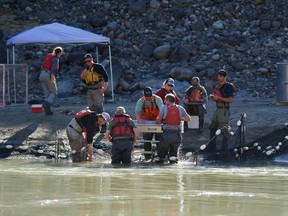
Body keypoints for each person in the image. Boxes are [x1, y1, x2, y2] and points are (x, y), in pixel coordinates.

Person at [155, 94, 191, 163]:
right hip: (177, 134)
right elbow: (188, 119)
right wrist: (180, 118)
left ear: (168, 100)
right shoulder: (180, 108)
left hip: (166, 134)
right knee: (173, 156)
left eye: (165, 100)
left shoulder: (164, 107)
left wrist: (158, 121)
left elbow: (159, 120)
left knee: (161, 155)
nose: (164, 101)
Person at [80, 53, 109, 133]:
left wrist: (104, 89)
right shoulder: (87, 69)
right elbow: (82, 76)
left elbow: (106, 77)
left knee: (99, 108)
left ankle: (104, 125)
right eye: (86, 61)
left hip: (97, 90)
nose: (88, 62)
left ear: (92, 59)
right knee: (91, 109)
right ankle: (95, 125)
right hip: (90, 90)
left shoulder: (98, 67)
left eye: (89, 61)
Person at [208, 69, 234, 156]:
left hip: (224, 110)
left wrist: (218, 98)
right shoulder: (218, 86)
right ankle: (212, 148)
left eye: (221, 76)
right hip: (217, 109)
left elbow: (230, 99)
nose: (219, 77)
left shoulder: (228, 86)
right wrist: (213, 97)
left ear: (224, 77)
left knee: (224, 130)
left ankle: (224, 150)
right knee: (212, 128)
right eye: (218, 76)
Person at [134, 87, 163, 160]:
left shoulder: (158, 99)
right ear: (143, 96)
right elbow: (137, 112)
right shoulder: (140, 101)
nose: (148, 99)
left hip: (157, 122)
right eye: (146, 97)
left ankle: (160, 156)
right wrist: (139, 120)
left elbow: (162, 111)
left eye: (149, 97)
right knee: (147, 140)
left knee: (158, 140)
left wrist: (159, 119)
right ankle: (147, 157)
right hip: (146, 123)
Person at [39, 46, 63, 115]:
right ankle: (46, 103)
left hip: (42, 74)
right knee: (54, 92)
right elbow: (53, 69)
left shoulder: (48, 56)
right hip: (48, 75)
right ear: (59, 53)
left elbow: (42, 65)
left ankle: (48, 111)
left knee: (46, 93)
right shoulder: (55, 59)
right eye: (61, 53)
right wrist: (52, 77)